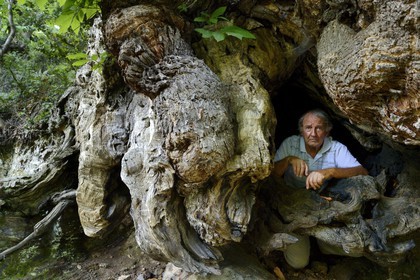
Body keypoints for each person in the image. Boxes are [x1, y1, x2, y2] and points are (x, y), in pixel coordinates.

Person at [272, 109, 368, 269]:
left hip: (323, 206)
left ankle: (321, 247)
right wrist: (289, 160)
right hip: (292, 207)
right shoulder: (291, 144)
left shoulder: (336, 148)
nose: (313, 133)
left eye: (319, 128)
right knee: (298, 263)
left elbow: (363, 172)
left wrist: (331, 171)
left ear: (327, 130)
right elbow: (269, 176)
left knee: (356, 250)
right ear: (301, 130)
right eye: (308, 128)